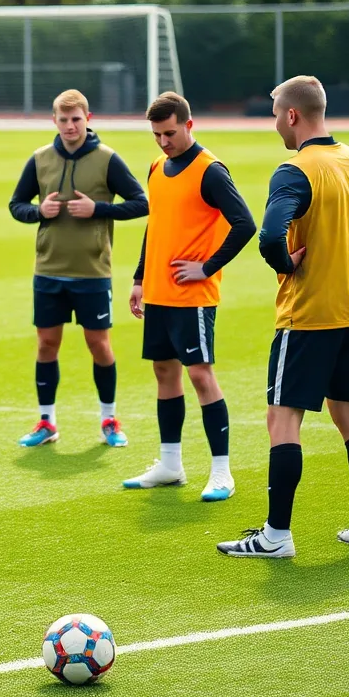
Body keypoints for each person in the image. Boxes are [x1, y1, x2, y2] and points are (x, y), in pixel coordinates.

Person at [218, 75, 349, 558]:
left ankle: (276, 536)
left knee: (282, 418)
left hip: (309, 314)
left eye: (275, 115)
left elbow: (269, 237)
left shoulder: (294, 171)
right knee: (348, 412)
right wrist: (348, 260)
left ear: (293, 115)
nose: (274, 124)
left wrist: (288, 264)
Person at [122, 92, 256, 501]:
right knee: (164, 372)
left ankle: (221, 472)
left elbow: (244, 223)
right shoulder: (156, 167)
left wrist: (207, 267)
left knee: (200, 375)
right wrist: (140, 278)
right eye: (157, 135)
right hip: (158, 293)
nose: (163, 142)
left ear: (188, 124)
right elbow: (156, 225)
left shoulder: (210, 170)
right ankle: (170, 465)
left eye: (169, 133)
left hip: (193, 296)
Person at [9, 89, 148, 449]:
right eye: (64, 119)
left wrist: (99, 209)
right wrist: (39, 212)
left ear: (88, 119)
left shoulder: (107, 159)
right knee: (46, 344)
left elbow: (141, 203)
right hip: (48, 270)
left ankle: (109, 419)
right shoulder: (40, 159)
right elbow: (16, 204)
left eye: (76, 119)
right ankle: (47, 422)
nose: (70, 126)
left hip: (92, 272)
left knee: (98, 345)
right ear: (54, 121)